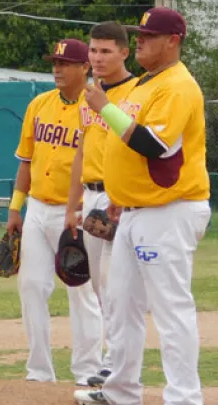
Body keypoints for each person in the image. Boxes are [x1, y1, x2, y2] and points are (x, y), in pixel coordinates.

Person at [73, 7, 212, 405]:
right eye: (138, 35)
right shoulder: (146, 85)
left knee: (170, 309)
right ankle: (121, 391)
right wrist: (120, 197)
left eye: (148, 36)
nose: (140, 41)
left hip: (169, 211)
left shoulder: (178, 86)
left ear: (173, 41)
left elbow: (154, 144)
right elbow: (126, 148)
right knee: (121, 307)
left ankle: (185, 397)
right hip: (135, 211)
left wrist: (103, 107)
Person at [7, 38, 103, 385]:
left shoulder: (96, 106)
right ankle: (39, 371)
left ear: (84, 68)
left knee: (81, 291)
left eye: (65, 63)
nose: (57, 69)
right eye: (55, 63)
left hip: (74, 212)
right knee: (31, 286)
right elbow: (26, 161)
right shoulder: (39, 104)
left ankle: (89, 370)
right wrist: (15, 209)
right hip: (36, 208)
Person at [64, 22, 136, 388]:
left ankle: (114, 362)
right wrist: (71, 205)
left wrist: (122, 196)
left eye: (106, 51)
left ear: (125, 52)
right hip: (90, 195)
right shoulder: (88, 95)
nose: (97, 57)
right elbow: (82, 150)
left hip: (117, 194)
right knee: (97, 286)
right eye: (93, 50)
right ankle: (113, 359)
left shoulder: (137, 90)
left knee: (113, 284)